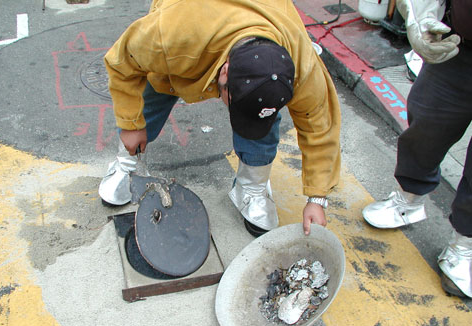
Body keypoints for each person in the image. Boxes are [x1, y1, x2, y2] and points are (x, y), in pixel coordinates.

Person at [99, 0, 341, 237]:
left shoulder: (302, 65)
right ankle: (128, 163)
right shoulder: (170, 34)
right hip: (194, 23)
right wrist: (130, 124)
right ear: (225, 72)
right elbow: (122, 63)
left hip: (261, 18)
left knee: (260, 109)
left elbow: (320, 127)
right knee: (159, 83)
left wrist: (317, 198)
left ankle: (251, 187)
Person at [362, 0, 471, 298]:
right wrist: (422, 12)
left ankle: (466, 244)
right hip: (459, 43)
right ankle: (409, 199)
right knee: (427, 118)